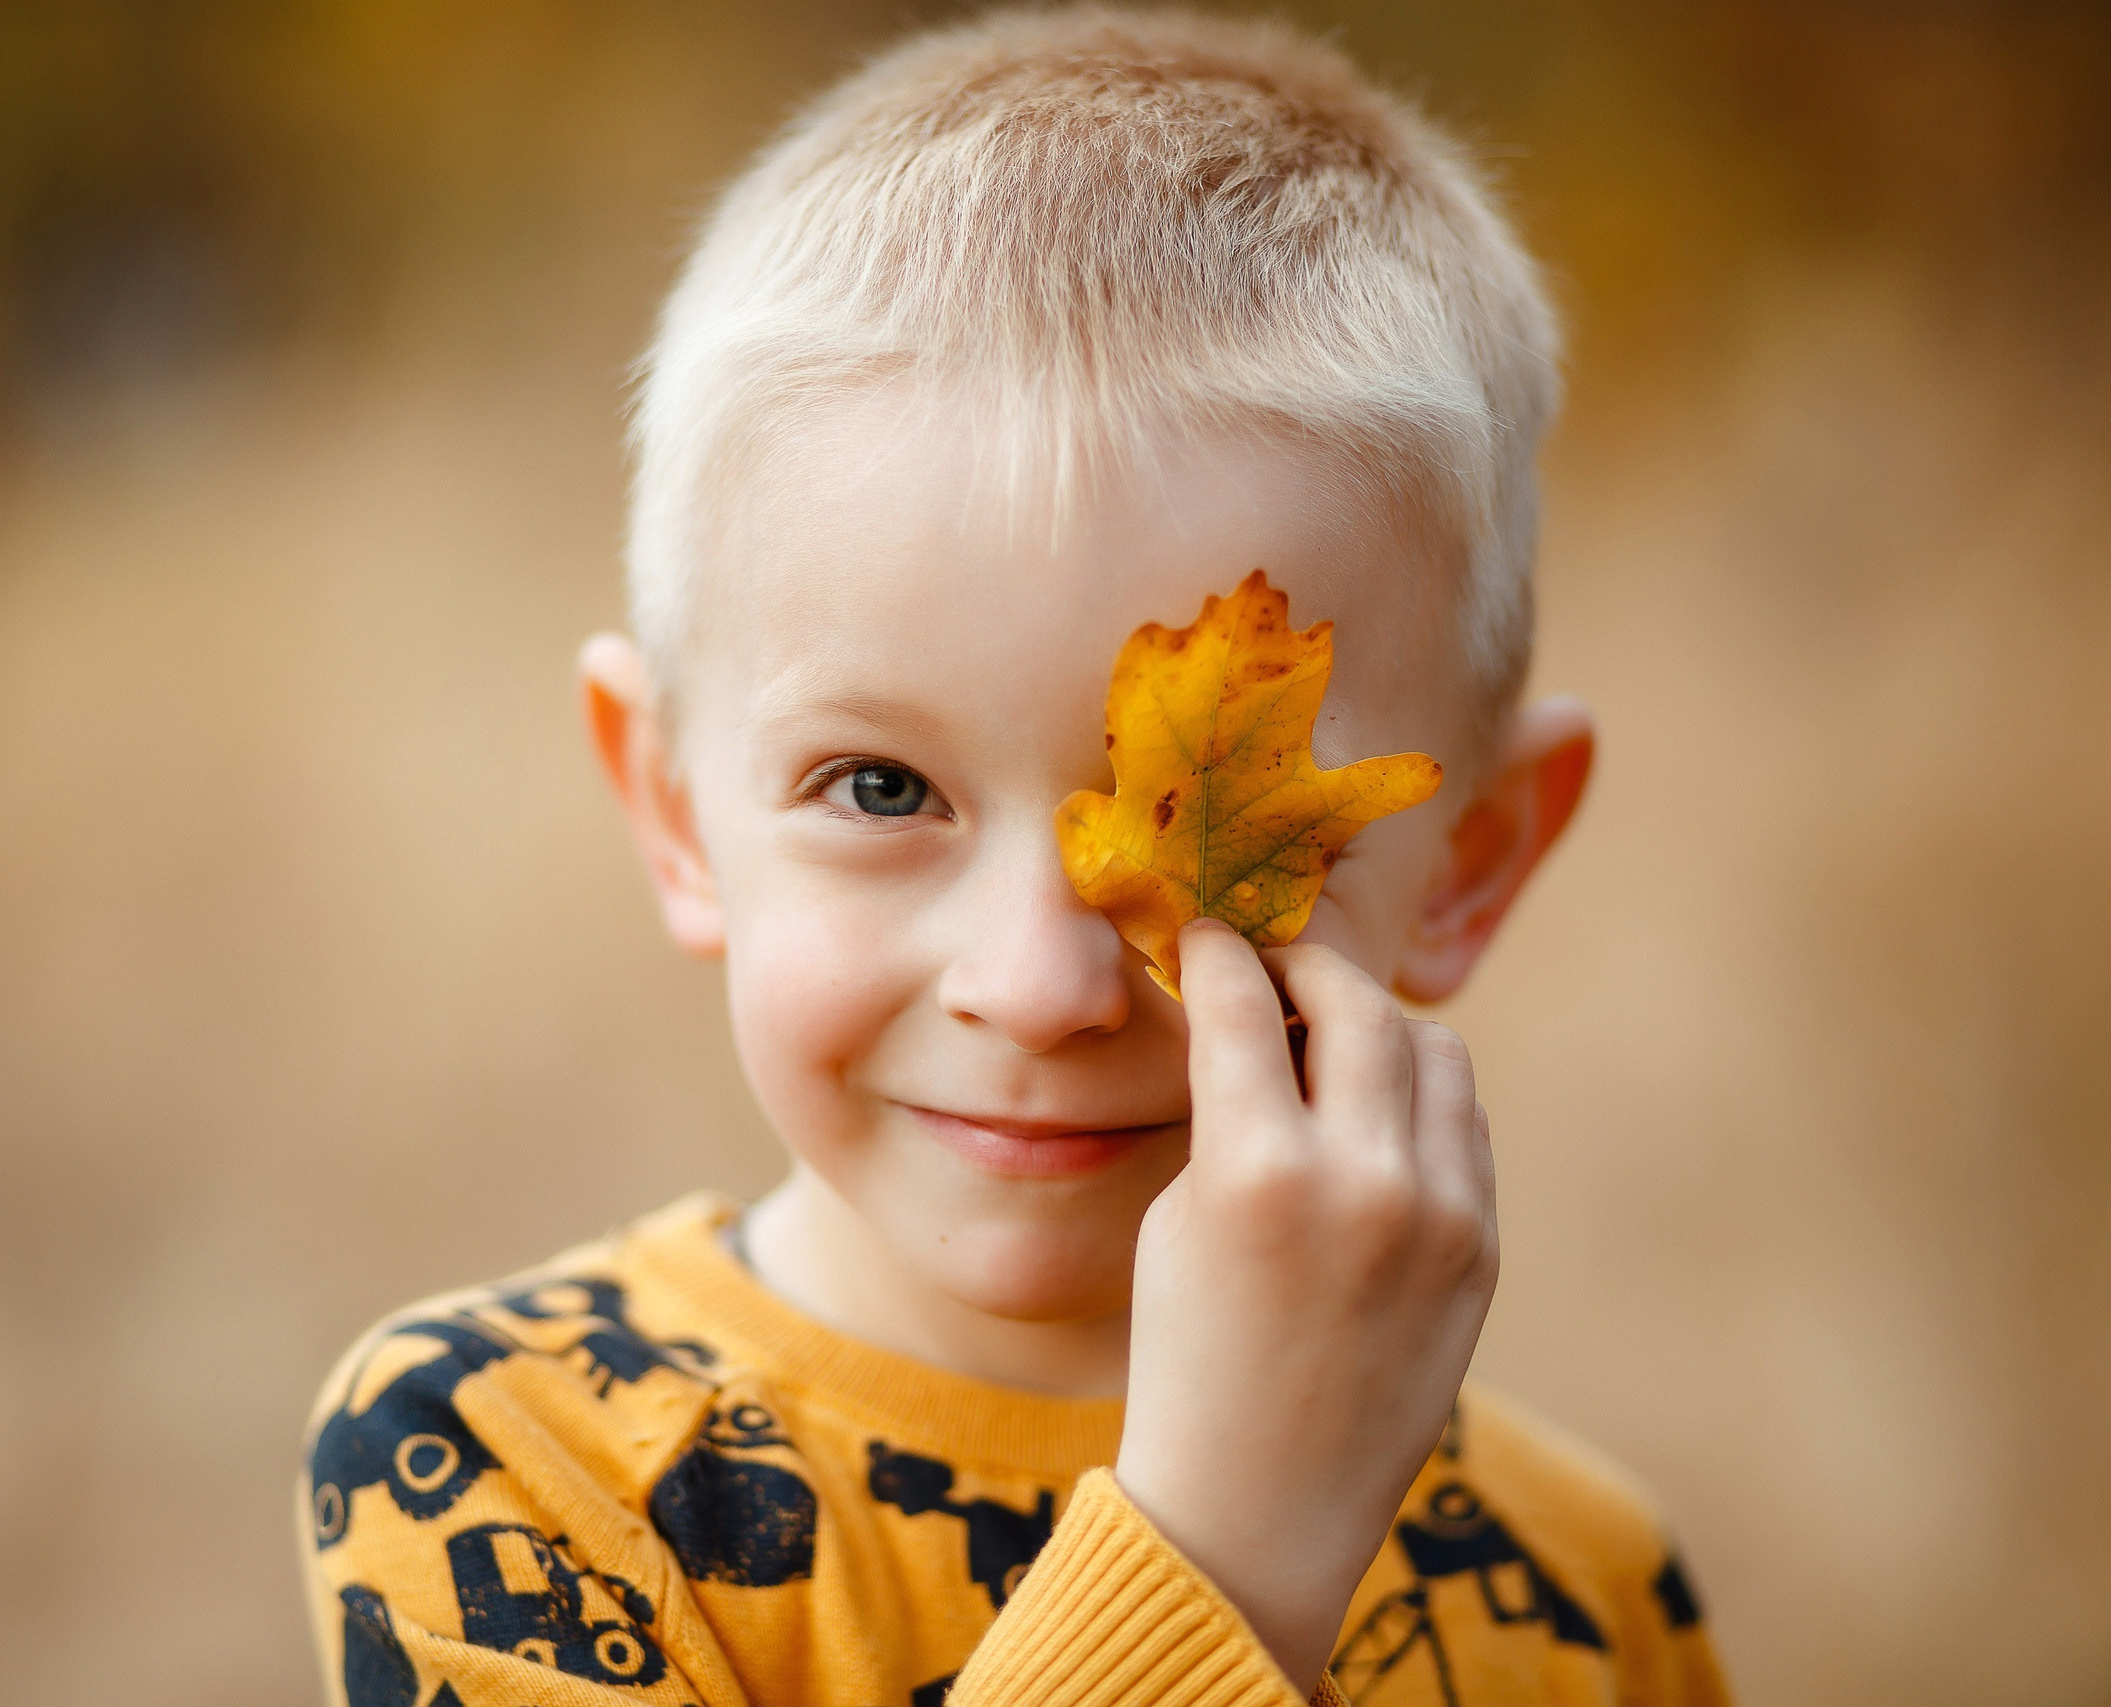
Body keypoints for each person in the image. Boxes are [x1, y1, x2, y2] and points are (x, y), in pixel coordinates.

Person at [297, 8, 1732, 1704]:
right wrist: (1227, 1554)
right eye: (883, 790)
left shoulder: (1575, 1593)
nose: (1043, 985)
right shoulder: (507, 1467)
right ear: (676, 811)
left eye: (1217, 830)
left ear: (1475, 863)